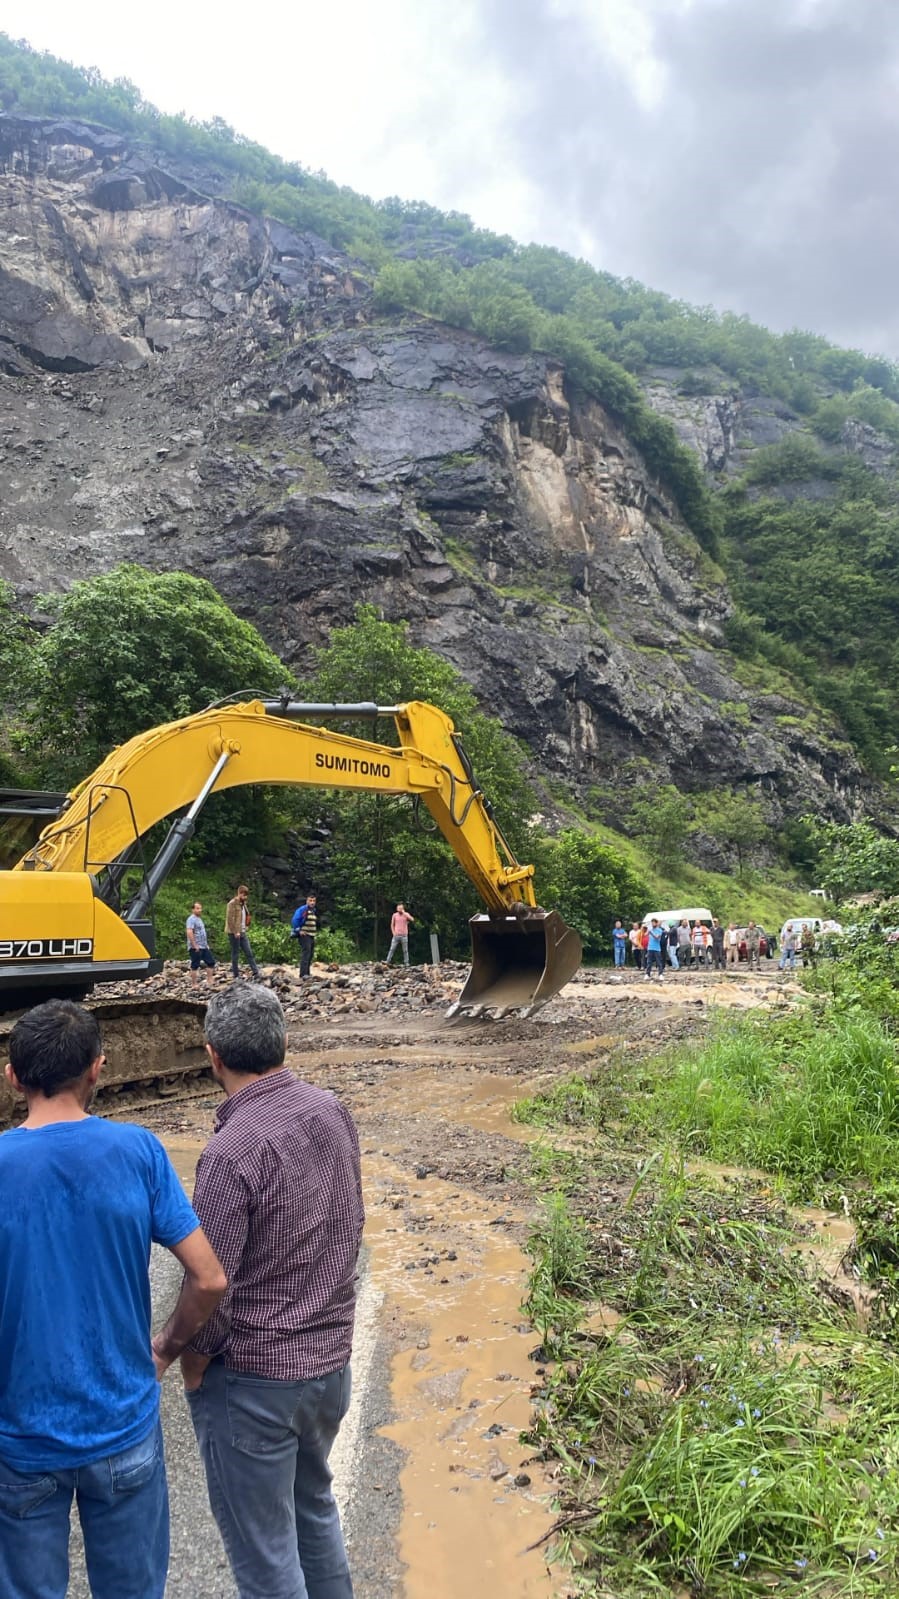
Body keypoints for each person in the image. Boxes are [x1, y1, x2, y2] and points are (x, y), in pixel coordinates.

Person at [0, 1000, 227, 1599]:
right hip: (122, 1427)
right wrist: (165, 1351)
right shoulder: (139, 1152)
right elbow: (208, 1279)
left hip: (21, 1440)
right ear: (98, 1069)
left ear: (13, 1076)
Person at [182, 984, 363, 1599]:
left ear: (213, 1056)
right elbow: (349, 1224)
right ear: (285, 1042)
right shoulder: (332, 1112)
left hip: (258, 1381)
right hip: (330, 1369)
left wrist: (191, 1358)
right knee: (314, 1511)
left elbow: (213, 1286)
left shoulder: (230, 1151)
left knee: (266, 1556)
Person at [225, 885, 260, 980]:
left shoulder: (243, 904)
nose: (246, 897)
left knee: (249, 952)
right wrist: (235, 931)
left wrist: (247, 925)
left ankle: (256, 972)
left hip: (243, 931)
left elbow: (246, 915)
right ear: (240, 893)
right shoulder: (232, 904)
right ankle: (236, 974)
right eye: (244, 895)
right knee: (235, 953)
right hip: (234, 932)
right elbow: (230, 919)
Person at [186, 900, 216, 989]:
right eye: (197, 908)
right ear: (193, 909)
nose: (200, 910)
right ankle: (194, 984)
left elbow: (202, 932)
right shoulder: (191, 919)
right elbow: (189, 931)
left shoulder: (199, 919)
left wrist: (206, 944)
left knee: (211, 962)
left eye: (200, 908)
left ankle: (209, 980)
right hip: (195, 946)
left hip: (203, 946)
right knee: (195, 965)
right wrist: (194, 945)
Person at [291, 892, 318, 978]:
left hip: (311, 935)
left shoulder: (313, 911)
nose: (312, 902)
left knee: (310, 954)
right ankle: (303, 974)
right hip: (305, 935)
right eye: (310, 900)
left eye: (314, 901)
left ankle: (307, 973)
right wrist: (299, 930)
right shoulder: (303, 909)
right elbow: (295, 919)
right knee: (306, 954)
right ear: (307, 901)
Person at [386, 902, 415, 967]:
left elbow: (412, 919)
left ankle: (406, 962)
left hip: (404, 935)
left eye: (401, 908)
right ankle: (388, 961)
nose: (400, 909)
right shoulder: (394, 915)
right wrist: (393, 932)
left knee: (405, 950)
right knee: (392, 949)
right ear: (396, 908)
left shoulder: (406, 914)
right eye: (399, 908)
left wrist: (404, 913)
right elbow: (392, 924)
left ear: (403, 908)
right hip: (396, 935)